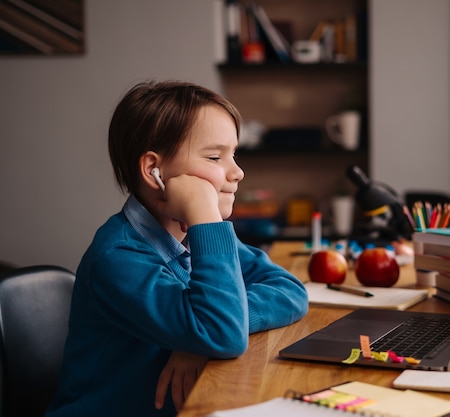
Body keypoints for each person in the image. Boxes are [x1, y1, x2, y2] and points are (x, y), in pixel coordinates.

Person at [45, 80, 309, 417]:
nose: (238, 172)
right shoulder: (118, 259)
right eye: (215, 156)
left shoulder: (195, 239)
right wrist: (205, 328)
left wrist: (197, 338)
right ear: (154, 171)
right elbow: (221, 333)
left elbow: (290, 291)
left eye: (234, 155)